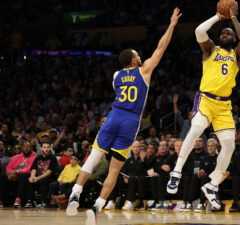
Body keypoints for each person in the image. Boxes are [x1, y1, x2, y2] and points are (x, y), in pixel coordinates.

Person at [65, 8, 182, 224]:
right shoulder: (144, 70)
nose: (140, 56)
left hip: (114, 116)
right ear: (135, 59)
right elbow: (160, 47)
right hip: (130, 121)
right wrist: (172, 24)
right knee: (114, 169)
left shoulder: (117, 75)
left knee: (93, 157)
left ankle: (75, 192)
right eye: (138, 54)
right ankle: (97, 206)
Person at [167, 0, 240, 210]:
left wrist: (233, 18)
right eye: (223, 34)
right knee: (195, 130)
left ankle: (213, 185)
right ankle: (176, 172)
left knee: (229, 145)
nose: (226, 36)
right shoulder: (210, 50)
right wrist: (219, 17)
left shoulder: (237, 56)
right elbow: (199, 30)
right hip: (206, 99)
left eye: (229, 34)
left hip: (223, 107)